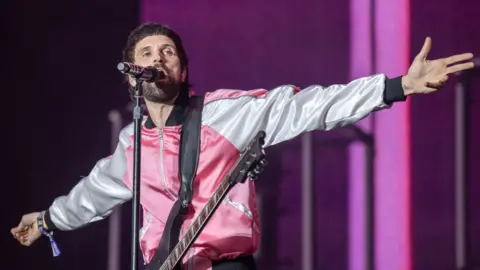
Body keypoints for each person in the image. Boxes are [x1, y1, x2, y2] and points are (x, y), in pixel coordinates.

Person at [11, 22, 475, 270]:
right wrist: (48, 219)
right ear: (132, 73)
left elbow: (313, 105)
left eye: (167, 51)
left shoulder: (225, 113)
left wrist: (397, 86)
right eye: (147, 54)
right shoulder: (131, 142)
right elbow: (93, 193)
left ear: (183, 70)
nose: (158, 58)